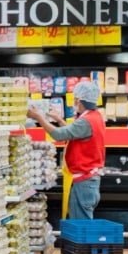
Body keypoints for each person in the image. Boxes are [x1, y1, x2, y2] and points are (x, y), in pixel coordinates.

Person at [28, 80, 107, 220]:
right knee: (81, 221)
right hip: (87, 180)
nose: (73, 102)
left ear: (79, 101)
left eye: (74, 99)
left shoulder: (86, 121)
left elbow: (59, 135)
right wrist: (59, 120)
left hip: (84, 181)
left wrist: (39, 118)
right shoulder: (95, 116)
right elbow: (73, 133)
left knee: (81, 225)